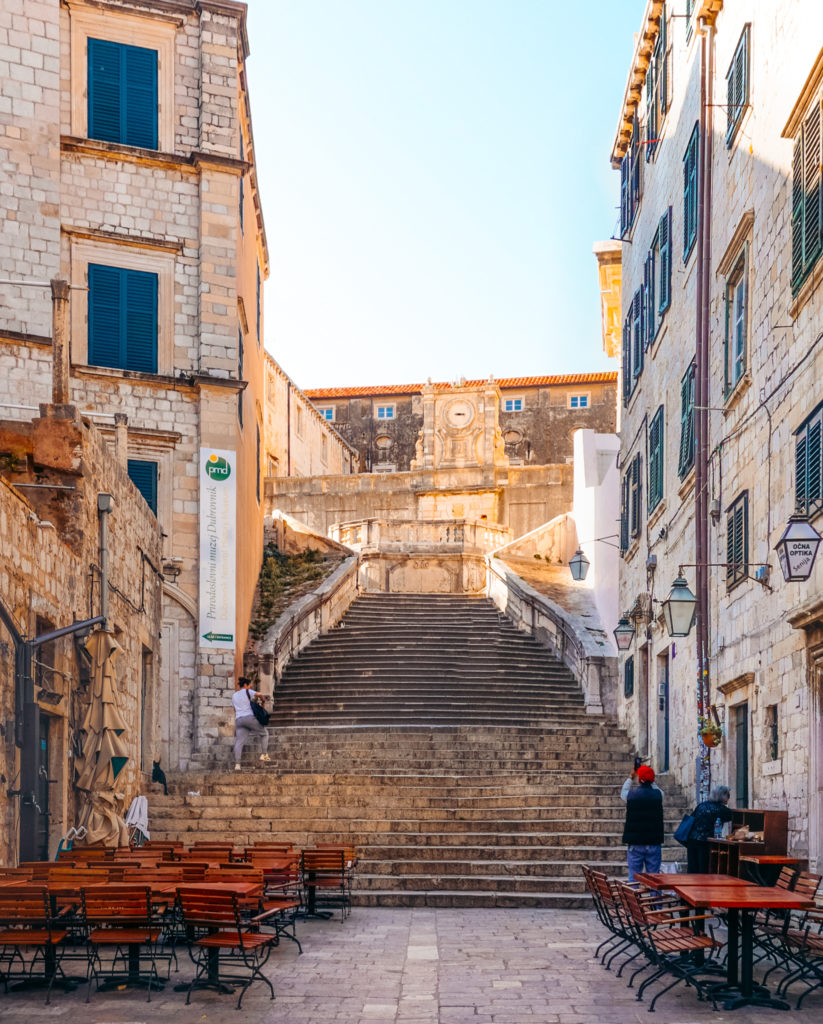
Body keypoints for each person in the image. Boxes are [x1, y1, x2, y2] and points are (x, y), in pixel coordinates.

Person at [622, 765, 664, 882]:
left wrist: (631, 777)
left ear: (640, 780)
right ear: (652, 780)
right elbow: (658, 790)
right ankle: (655, 900)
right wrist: (651, 781)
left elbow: (623, 792)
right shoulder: (658, 795)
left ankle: (634, 900)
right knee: (655, 879)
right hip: (653, 842)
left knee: (633, 878)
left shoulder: (631, 796)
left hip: (635, 842)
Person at [685, 785, 734, 873]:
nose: (728, 798)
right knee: (703, 870)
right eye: (728, 795)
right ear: (722, 796)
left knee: (692, 869)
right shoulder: (723, 810)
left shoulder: (701, 805)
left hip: (692, 839)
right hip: (705, 841)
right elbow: (731, 817)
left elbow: (692, 818)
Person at [232, 676, 270, 770]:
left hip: (239, 720)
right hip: (249, 718)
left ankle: (237, 764)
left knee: (239, 742)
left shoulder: (234, 695)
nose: (249, 687)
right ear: (245, 685)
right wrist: (263, 701)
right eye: (249, 685)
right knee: (264, 733)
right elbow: (260, 694)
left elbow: (234, 708)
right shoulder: (247, 691)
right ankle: (264, 754)